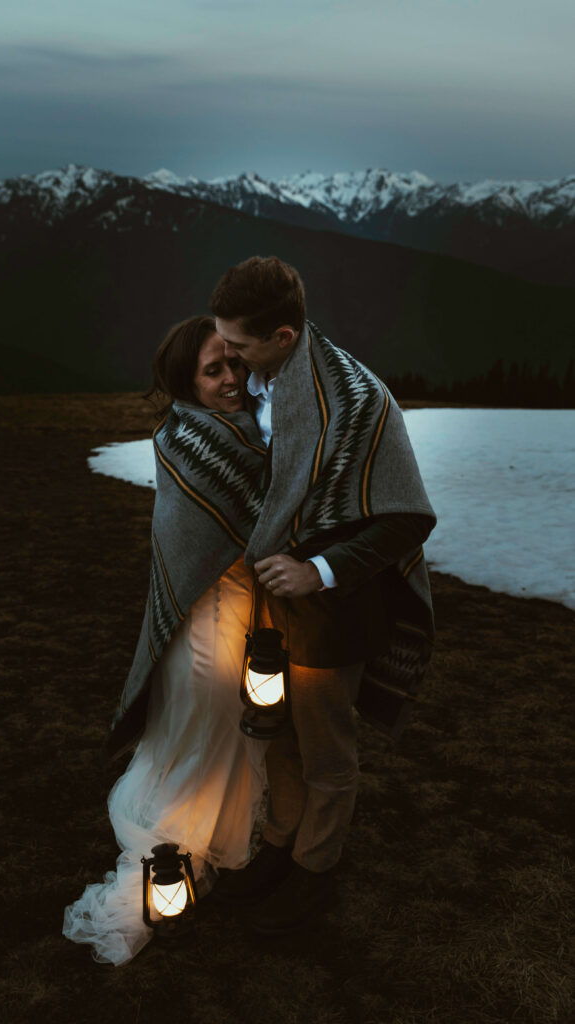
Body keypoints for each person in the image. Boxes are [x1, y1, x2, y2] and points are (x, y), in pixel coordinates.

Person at [207, 256, 437, 935]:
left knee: (324, 744)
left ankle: (316, 866)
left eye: (240, 345)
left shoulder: (360, 401)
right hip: (266, 602)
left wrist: (321, 570)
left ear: (282, 335)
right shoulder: (263, 380)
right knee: (273, 731)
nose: (229, 356)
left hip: (333, 611)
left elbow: (406, 518)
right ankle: (278, 844)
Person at [62, 315, 270, 965]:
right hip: (204, 620)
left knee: (223, 737)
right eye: (214, 370)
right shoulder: (190, 442)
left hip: (244, 609)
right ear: (187, 380)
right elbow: (210, 541)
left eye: (235, 363)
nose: (231, 378)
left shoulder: (248, 429)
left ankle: (195, 842)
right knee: (202, 734)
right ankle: (169, 855)